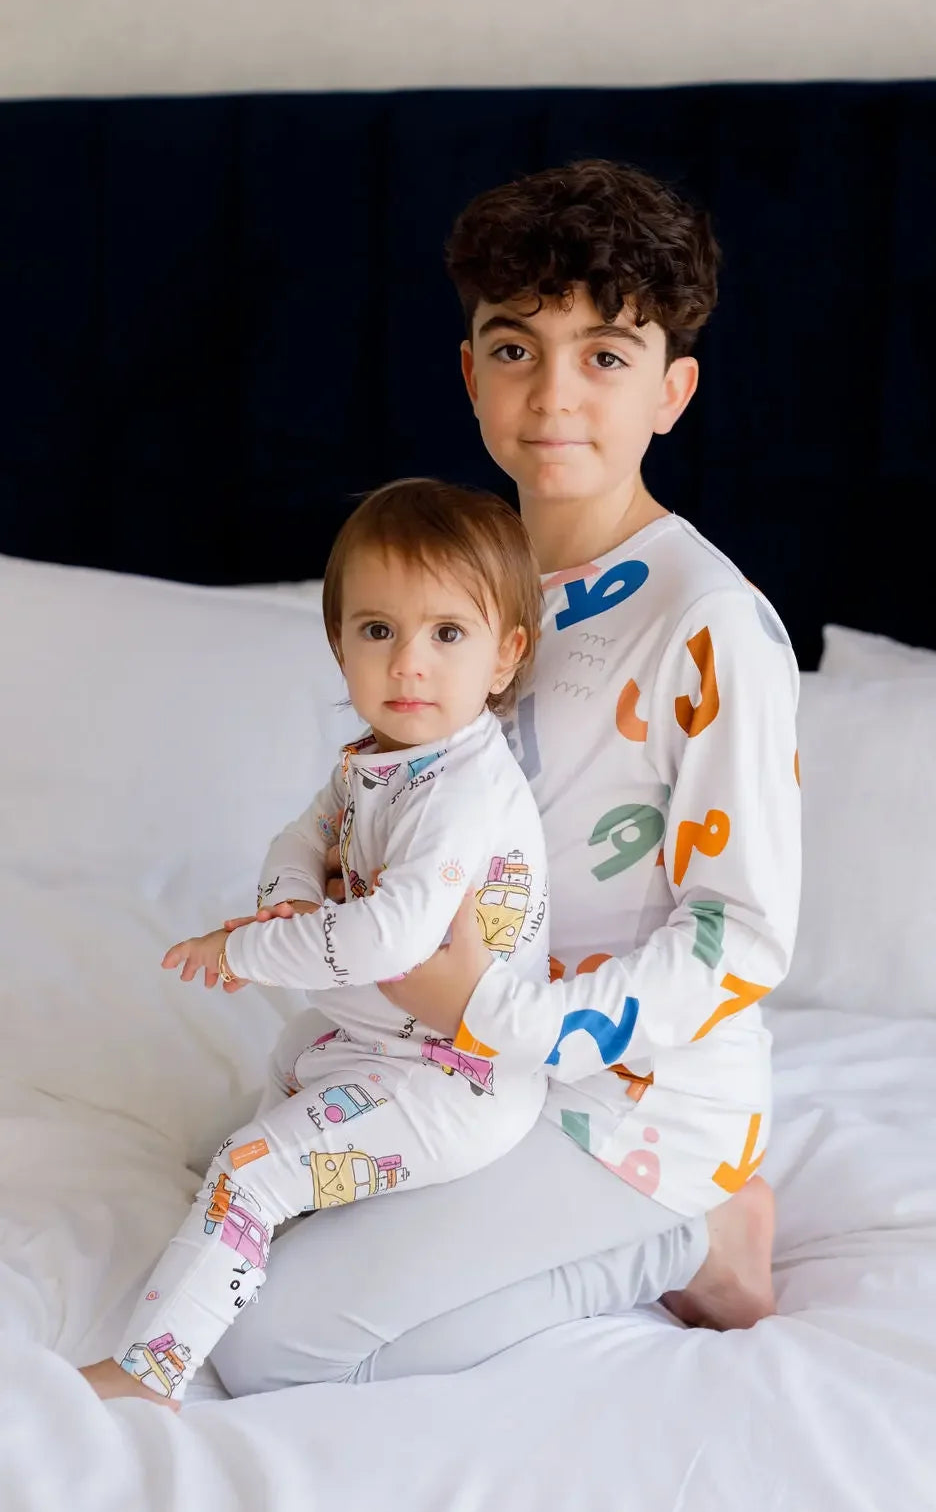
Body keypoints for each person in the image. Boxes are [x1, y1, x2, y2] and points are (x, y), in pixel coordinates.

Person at [211, 157, 803, 1397]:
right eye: (516, 348)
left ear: (671, 391)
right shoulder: (465, 585)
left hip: (614, 1097)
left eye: (605, 355)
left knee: (273, 1351)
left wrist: (497, 1017)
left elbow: (741, 937)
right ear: (471, 372)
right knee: (227, 1240)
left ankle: (695, 1237)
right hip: (451, 1056)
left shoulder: (707, 625)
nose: (553, 395)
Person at [79, 478, 551, 1409]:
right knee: (292, 1062)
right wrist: (289, 906)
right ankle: (259, 1225)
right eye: (378, 631)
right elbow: (297, 841)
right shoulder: (379, 758)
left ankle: (148, 1371)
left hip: (455, 1078)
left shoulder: (463, 791)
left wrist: (245, 951)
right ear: (340, 645)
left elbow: (393, 939)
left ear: (505, 655)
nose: (408, 663)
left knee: (251, 1166)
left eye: (447, 634)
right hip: (371, 1041)